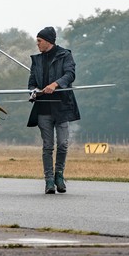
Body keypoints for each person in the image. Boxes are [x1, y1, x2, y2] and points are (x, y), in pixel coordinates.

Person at [26, 26, 79, 194]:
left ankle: (59, 175)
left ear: (48, 41)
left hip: (62, 107)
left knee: (62, 144)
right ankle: (49, 180)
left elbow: (70, 75)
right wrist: (34, 92)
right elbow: (31, 84)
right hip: (43, 109)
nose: (37, 44)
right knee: (48, 146)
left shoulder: (65, 55)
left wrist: (55, 84)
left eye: (39, 41)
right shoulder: (36, 60)